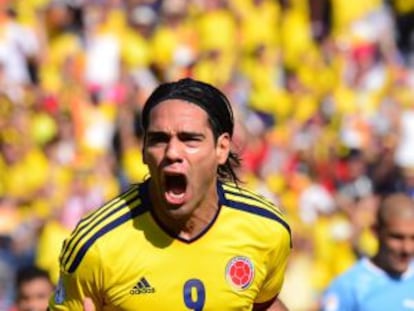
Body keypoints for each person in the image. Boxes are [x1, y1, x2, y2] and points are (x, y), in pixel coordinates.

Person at [48, 78, 292, 310]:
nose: (172, 152)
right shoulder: (95, 246)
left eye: (189, 139)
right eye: (159, 139)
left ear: (222, 148)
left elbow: (264, 304)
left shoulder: (267, 229)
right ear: (143, 151)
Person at [320, 192, 414, 311]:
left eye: (413, 238)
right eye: (397, 237)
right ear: (376, 231)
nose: (407, 248)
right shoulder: (348, 287)